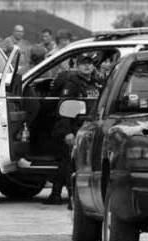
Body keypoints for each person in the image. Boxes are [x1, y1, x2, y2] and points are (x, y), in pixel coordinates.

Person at [44, 54, 101, 208]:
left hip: (89, 127)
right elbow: (65, 109)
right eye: (83, 63)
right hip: (74, 127)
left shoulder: (96, 83)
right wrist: (67, 132)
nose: (87, 66)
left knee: (67, 163)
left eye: (90, 63)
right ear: (77, 66)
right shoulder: (72, 84)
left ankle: (56, 194)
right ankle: (72, 198)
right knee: (70, 164)